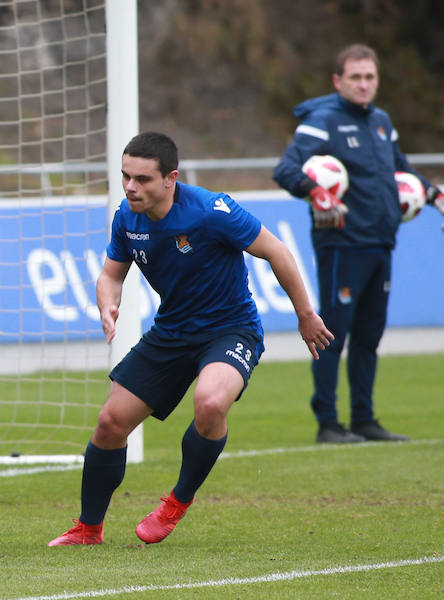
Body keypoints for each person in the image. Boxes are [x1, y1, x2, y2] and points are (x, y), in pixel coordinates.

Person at [49, 132, 333, 547]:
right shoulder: (126, 217)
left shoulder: (211, 210)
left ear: (171, 179)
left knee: (211, 403)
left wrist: (305, 314)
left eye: (143, 179)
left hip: (230, 329)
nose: (131, 187)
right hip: (172, 331)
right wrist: (108, 304)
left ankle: (176, 502)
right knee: (110, 423)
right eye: (126, 176)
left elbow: (278, 252)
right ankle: (89, 528)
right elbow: (111, 274)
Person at [273, 43, 444, 444]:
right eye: (355, 77)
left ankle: (365, 419)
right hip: (342, 243)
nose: (364, 84)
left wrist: (436, 197)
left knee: (369, 335)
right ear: (338, 81)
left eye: (370, 77)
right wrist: (316, 191)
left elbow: (402, 171)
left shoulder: (382, 122)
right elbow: (285, 169)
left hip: (382, 242)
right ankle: (329, 424)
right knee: (332, 333)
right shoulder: (322, 120)